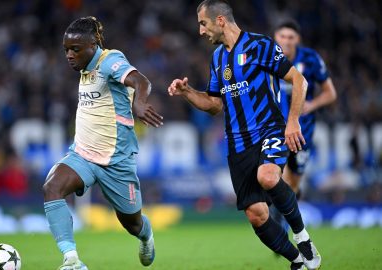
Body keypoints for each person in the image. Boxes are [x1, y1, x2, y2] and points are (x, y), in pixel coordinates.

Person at [168, 1, 321, 269]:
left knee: (268, 177)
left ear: (220, 21)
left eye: (203, 23)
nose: (200, 30)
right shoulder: (217, 58)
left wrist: (293, 121)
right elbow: (215, 105)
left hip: (269, 129)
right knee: (256, 214)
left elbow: (299, 80)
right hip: (238, 143)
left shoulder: (260, 45)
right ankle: (298, 261)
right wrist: (188, 92)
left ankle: (303, 237)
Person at [43, 16, 162, 270]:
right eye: (66, 49)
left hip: (116, 160)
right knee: (52, 187)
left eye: (75, 49)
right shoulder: (85, 67)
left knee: (132, 223)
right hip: (82, 154)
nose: (69, 55)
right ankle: (71, 260)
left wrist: (138, 102)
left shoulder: (110, 61)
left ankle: (146, 234)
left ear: (93, 44)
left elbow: (141, 81)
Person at [274, 19, 337, 197]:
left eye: (291, 37)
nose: (286, 40)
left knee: (293, 183)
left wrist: (312, 104)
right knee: (276, 177)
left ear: (298, 39)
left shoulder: (310, 59)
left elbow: (330, 93)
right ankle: (276, 222)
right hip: (274, 128)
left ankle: (289, 213)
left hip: (303, 130)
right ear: (275, 37)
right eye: (282, 36)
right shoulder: (267, 59)